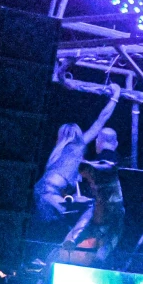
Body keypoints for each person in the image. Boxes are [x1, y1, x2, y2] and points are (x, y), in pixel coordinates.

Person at [33, 87, 124, 222]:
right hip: (49, 194)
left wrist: (77, 197)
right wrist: (116, 96)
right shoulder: (77, 146)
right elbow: (101, 120)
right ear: (77, 134)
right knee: (90, 213)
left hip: (43, 193)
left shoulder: (59, 154)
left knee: (52, 228)